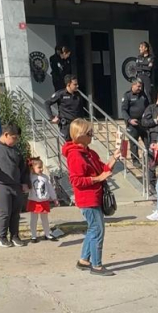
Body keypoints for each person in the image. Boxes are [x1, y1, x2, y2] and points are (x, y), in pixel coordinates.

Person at [63, 118, 121, 276]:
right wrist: (98, 178)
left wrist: (114, 158)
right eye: (90, 133)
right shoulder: (75, 155)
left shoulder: (89, 152)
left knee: (93, 229)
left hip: (94, 196)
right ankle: (97, 265)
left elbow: (103, 168)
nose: (92, 136)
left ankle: (84, 260)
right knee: (98, 230)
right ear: (80, 135)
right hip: (87, 198)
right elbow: (76, 180)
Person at [0, 123, 30, 249]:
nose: (16, 140)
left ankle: (15, 236)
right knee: (5, 211)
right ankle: (1, 236)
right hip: (0, 184)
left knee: (16, 212)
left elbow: (23, 168)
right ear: (6, 134)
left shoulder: (16, 150)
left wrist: (25, 182)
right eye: (14, 138)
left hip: (16, 184)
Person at [26, 157, 58, 242]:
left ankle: (47, 234)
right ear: (33, 168)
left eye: (41, 167)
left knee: (45, 219)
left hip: (44, 201)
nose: (41, 169)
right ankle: (33, 236)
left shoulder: (45, 177)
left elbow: (50, 188)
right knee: (33, 219)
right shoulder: (30, 177)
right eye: (39, 167)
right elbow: (26, 188)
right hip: (34, 201)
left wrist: (54, 198)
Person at [120, 79, 150, 164]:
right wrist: (129, 120)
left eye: (141, 86)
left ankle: (149, 159)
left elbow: (148, 107)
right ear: (133, 85)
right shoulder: (127, 95)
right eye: (138, 86)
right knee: (134, 144)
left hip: (143, 123)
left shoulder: (143, 95)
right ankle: (135, 160)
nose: (140, 88)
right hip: (132, 124)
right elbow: (123, 110)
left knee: (148, 141)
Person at [49, 75, 84, 141]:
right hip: (66, 125)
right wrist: (52, 117)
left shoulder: (78, 95)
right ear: (68, 84)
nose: (77, 86)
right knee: (67, 146)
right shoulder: (60, 94)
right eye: (75, 84)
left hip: (77, 125)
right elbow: (47, 103)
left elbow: (80, 109)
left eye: (77, 84)